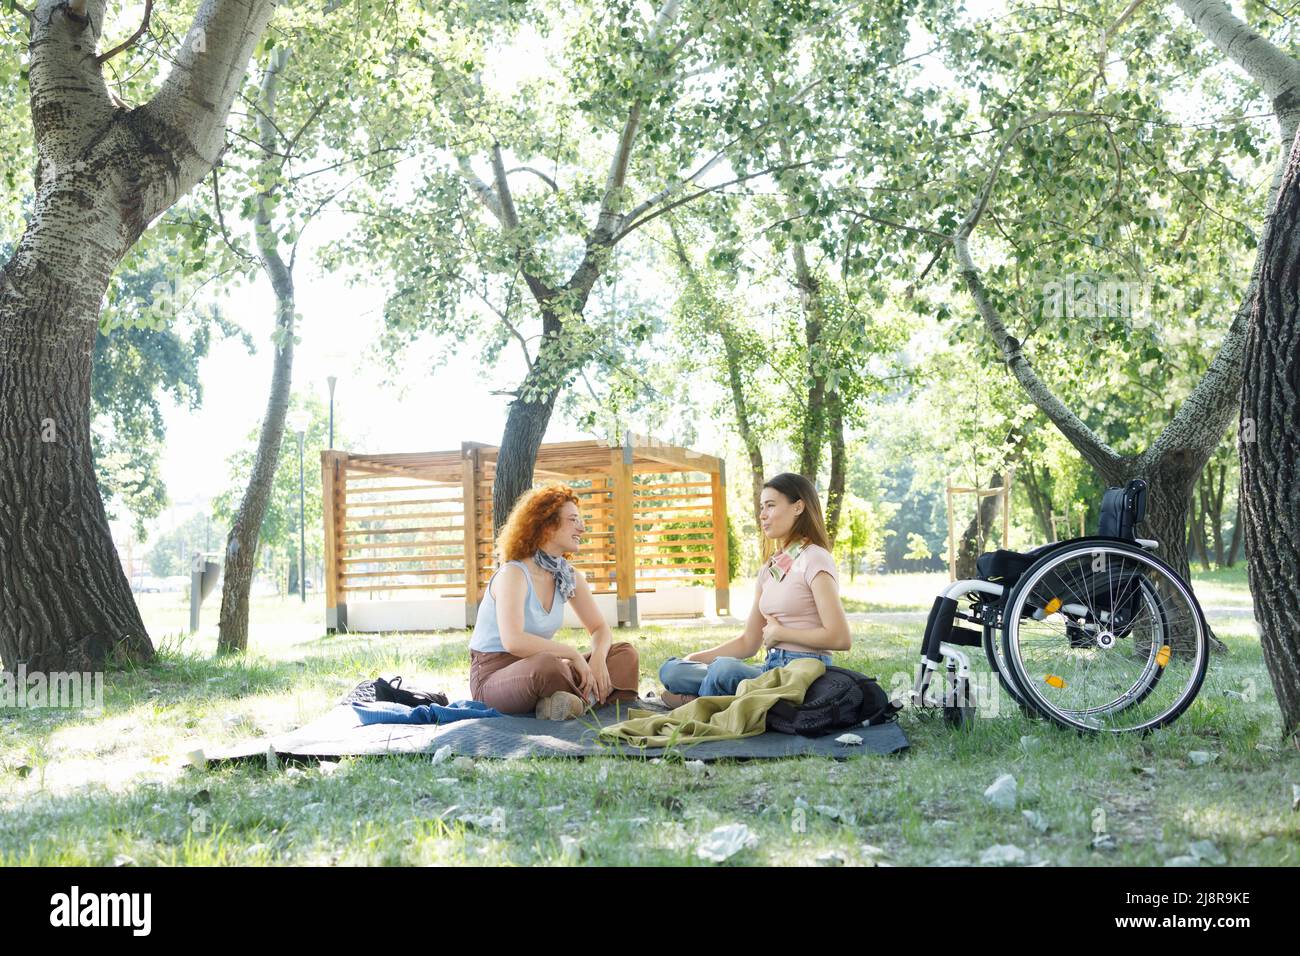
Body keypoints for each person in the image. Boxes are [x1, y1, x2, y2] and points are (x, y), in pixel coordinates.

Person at [657, 472, 851, 705]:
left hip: (800, 674)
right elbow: (749, 641)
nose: (762, 515)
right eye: (761, 507)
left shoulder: (815, 559)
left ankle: (700, 703)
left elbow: (840, 638)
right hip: (768, 670)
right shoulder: (770, 569)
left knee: (723, 670)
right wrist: (694, 659)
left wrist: (782, 634)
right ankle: (715, 700)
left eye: (770, 505)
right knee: (672, 670)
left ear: (798, 507)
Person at [469, 482, 641, 719]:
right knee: (548, 666)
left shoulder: (568, 577)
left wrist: (599, 659)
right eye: (573, 519)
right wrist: (573, 654)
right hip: (495, 676)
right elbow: (513, 641)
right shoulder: (514, 574)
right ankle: (590, 701)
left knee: (624, 653)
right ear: (547, 526)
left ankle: (565, 704)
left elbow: (600, 629)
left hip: (547, 668)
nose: (582, 527)